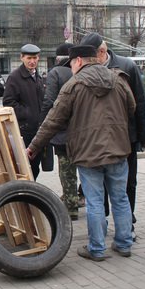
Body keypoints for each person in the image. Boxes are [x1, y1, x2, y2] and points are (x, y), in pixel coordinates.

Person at [27, 45, 135, 261]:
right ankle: (124, 243)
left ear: (78, 61)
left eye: (72, 64)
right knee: (121, 198)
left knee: (94, 201)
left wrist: (34, 146)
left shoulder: (73, 85)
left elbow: (53, 120)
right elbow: (131, 107)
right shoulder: (118, 79)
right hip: (118, 149)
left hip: (89, 152)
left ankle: (97, 249)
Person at [80, 32, 145, 239]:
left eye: (90, 56)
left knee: (128, 184)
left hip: (125, 138)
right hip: (97, 141)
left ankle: (129, 226)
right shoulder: (86, 69)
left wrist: (142, 135)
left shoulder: (126, 67)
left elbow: (139, 104)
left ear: (101, 52)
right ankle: (103, 225)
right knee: (99, 186)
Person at [38, 42, 79, 220]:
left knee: (66, 169)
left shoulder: (55, 73)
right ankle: (80, 197)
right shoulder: (80, 72)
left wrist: (44, 123)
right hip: (83, 130)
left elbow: (50, 102)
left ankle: (71, 205)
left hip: (63, 131)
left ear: (57, 58)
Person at [2, 44, 46, 180]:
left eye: (35, 58)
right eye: (29, 58)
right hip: (24, 130)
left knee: (35, 167)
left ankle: (31, 194)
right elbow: (8, 102)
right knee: (25, 168)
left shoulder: (38, 78)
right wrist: (28, 114)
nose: (32, 61)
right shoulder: (15, 77)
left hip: (38, 130)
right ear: (22, 58)